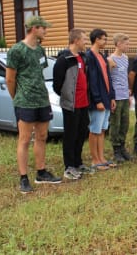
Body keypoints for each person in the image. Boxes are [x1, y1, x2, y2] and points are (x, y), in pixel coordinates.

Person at [6, 15, 61, 194]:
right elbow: (10, 78)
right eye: (43, 28)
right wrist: (16, 98)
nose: (46, 31)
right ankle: (23, 178)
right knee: (24, 139)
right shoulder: (16, 50)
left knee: (42, 136)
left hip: (42, 100)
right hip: (25, 101)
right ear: (34, 28)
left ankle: (41, 172)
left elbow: (39, 73)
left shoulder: (40, 50)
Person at [53, 28, 92, 180]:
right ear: (76, 40)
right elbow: (57, 84)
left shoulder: (82, 57)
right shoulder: (64, 59)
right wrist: (68, 96)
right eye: (83, 39)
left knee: (82, 133)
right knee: (71, 135)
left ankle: (78, 162)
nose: (85, 42)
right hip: (71, 104)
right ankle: (69, 166)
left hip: (84, 103)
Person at [86, 28, 116, 170]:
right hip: (97, 100)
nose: (105, 42)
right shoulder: (90, 56)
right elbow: (92, 80)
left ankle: (101, 157)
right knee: (95, 130)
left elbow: (108, 77)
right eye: (104, 39)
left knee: (103, 129)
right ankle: (95, 159)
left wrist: (111, 97)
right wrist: (97, 100)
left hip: (106, 97)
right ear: (97, 39)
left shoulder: (102, 56)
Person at [107, 33, 132, 163]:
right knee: (115, 123)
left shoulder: (126, 58)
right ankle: (116, 148)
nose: (128, 46)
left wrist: (128, 93)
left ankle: (122, 146)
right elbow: (109, 79)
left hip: (124, 94)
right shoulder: (111, 59)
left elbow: (125, 76)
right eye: (126, 43)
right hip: (116, 95)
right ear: (118, 44)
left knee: (125, 122)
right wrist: (111, 97)